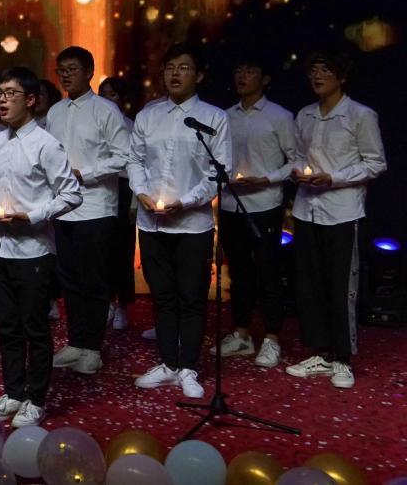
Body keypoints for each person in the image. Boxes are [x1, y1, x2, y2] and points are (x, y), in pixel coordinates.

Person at [0, 67, 83, 428]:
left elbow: (71, 194)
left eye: (11, 93)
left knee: (34, 328)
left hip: (33, 251)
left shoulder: (46, 144)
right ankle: (13, 392)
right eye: (0, 93)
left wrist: (33, 216)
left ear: (31, 100)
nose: (3, 100)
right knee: (7, 326)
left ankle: (35, 399)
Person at [127, 42, 231, 400]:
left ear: (199, 76)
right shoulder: (148, 116)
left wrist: (185, 202)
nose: (174, 73)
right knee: (163, 296)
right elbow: (134, 160)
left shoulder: (213, 118)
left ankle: (189, 367)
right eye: (170, 67)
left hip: (192, 225)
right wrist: (141, 192)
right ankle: (168, 363)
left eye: (183, 67)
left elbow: (219, 171)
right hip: (151, 222)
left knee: (191, 297)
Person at [285, 50, 386, 389]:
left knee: (341, 287)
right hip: (307, 209)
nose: (317, 76)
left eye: (326, 70)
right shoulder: (305, 115)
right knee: (309, 284)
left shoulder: (360, 115)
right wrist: (298, 171)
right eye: (313, 70)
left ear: (341, 77)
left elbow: (376, 163)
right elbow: (298, 155)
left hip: (343, 211)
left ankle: (342, 358)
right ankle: (320, 352)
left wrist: (334, 178)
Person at [47, 47, 129, 376]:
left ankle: (92, 347)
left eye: (72, 69)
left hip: (95, 207)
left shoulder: (106, 110)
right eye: (61, 70)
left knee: (93, 280)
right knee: (69, 278)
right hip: (62, 208)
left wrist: (87, 173)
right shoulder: (55, 111)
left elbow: (124, 156)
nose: (66, 75)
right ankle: (75, 342)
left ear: (89, 72)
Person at [211, 54, 295, 368]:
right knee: (238, 272)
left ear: (265, 79)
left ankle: (272, 338)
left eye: (250, 70)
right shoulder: (224, 116)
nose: (242, 76)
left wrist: (267, 178)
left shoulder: (280, 116)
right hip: (231, 203)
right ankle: (242, 333)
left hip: (264, 204)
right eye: (239, 70)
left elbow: (295, 161)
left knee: (268, 273)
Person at [98, 76, 137, 330]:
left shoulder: (130, 126)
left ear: (122, 99)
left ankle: (122, 304)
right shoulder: (94, 122)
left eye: (112, 94)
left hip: (123, 189)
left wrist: (134, 202)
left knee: (123, 251)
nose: (107, 99)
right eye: (103, 94)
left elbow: (136, 165)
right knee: (102, 251)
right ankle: (106, 302)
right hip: (100, 188)